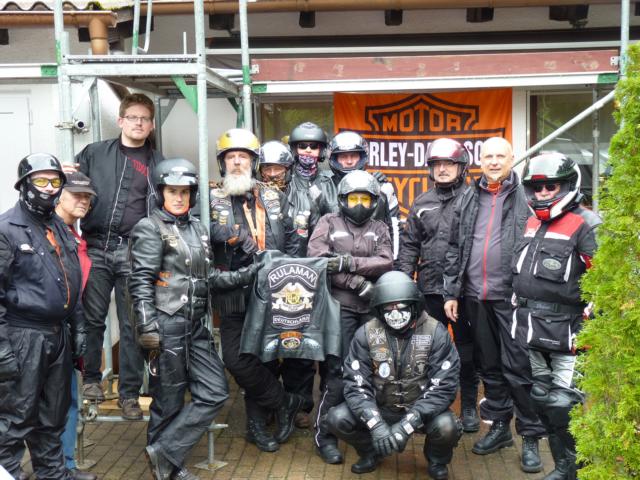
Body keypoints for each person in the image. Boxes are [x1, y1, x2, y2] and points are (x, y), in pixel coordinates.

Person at [130, 158, 259, 480]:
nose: (179, 197)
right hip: (166, 325)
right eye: (172, 191)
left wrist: (247, 274)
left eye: (185, 192)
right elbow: (140, 281)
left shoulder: (198, 229)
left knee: (215, 391)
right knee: (168, 401)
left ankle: (164, 453)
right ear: (161, 193)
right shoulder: (150, 228)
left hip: (196, 326)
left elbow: (209, 277)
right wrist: (147, 326)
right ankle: (168, 469)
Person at [442, 137, 545, 473]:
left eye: (501, 155)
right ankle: (500, 428)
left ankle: (530, 436)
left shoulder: (527, 196)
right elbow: (454, 247)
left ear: (512, 159)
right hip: (475, 297)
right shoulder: (468, 196)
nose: (495, 161)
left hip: (513, 299)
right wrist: (451, 292)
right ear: (480, 161)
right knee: (489, 367)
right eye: (489, 156)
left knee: (519, 369)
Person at [209, 128, 304, 453]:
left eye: (243, 157)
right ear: (222, 163)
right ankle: (285, 401)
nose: (237, 162)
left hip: (273, 290)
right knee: (236, 359)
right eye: (231, 157)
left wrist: (289, 274)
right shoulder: (210, 198)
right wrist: (234, 234)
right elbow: (202, 230)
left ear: (253, 162)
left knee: (264, 359)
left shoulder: (274, 196)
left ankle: (257, 427)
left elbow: (292, 237)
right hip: (233, 291)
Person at [75, 93, 164, 420]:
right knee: (91, 318)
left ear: (151, 125)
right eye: (133, 117)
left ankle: (129, 395)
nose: (138, 123)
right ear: (121, 120)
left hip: (135, 252)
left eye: (145, 119)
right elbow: (70, 188)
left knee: (132, 326)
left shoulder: (159, 164)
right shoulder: (94, 153)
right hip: (96, 247)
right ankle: (91, 380)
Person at [513, 152, 601, 480]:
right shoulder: (532, 221)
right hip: (533, 331)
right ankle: (563, 468)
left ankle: (578, 470)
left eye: (551, 186)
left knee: (564, 405)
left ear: (567, 185)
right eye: (537, 188)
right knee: (542, 401)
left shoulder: (587, 223)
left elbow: (605, 284)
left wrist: (590, 328)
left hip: (569, 335)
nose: (543, 193)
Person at [326, 271, 462, 479]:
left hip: (422, 410)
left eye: (401, 307)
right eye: (388, 309)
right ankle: (371, 451)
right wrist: (376, 425)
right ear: (379, 310)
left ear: (414, 306)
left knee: (448, 427)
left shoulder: (436, 333)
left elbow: (444, 387)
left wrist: (407, 425)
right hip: (381, 408)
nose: (395, 315)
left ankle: (437, 459)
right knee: (337, 418)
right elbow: (356, 385)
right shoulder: (365, 334)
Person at [0, 153, 85, 480]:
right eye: (41, 180)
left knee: (52, 417)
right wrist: (3, 350)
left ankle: (53, 474)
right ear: (24, 185)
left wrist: (78, 327)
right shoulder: (7, 229)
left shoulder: (58, 227)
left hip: (57, 335)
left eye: (55, 181)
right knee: (15, 418)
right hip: (23, 336)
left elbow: (71, 279)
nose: (49, 188)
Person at [307, 170, 393, 465]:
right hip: (338, 309)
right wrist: (355, 281)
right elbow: (319, 259)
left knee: (370, 372)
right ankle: (324, 437)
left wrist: (348, 262)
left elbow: (386, 261)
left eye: (364, 199)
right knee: (336, 373)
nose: (358, 204)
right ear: (343, 199)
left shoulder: (379, 227)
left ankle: (365, 433)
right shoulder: (328, 222)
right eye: (353, 198)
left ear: (374, 201)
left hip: (370, 311)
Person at [395, 138, 479, 433]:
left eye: (449, 164)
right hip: (429, 289)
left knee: (467, 351)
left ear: (461, 167)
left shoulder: (474, 199)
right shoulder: (422, 202)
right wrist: (403, 283)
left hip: (465, 291)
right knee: (427, 351)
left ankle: (469, 406)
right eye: (437, 164)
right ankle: (430, 408)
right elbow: (409, 245)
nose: (442, 169)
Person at [257, 140, 318, 429]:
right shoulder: (253, 198)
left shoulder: (305, 197)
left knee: (299, 347)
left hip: (300, 281)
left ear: (289, 169)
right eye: (267, 168)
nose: (272, 174)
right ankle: (271, 403)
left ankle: (301, 404)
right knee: (266, 347)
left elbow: (316, 236)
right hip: (263, 281)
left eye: (278, 168)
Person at [55, 172, 99, 480]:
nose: (83, 201)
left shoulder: (76, 236)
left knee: (69, 401)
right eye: (76, 194)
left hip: (69, 331)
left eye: (87, 197)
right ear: (59, 195)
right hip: (42, 332)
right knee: (26, 407)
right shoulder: (46, 231)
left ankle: (66, 466)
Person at [327, 131, 400, 256]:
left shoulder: (383, 188)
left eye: (354, 156)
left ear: (362, 157)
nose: (349, 161)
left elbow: (394, 228)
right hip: (336, 261)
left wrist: (395, 261)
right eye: (343, 156)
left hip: (375, 261)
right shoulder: (324, 188)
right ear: (335, 159)